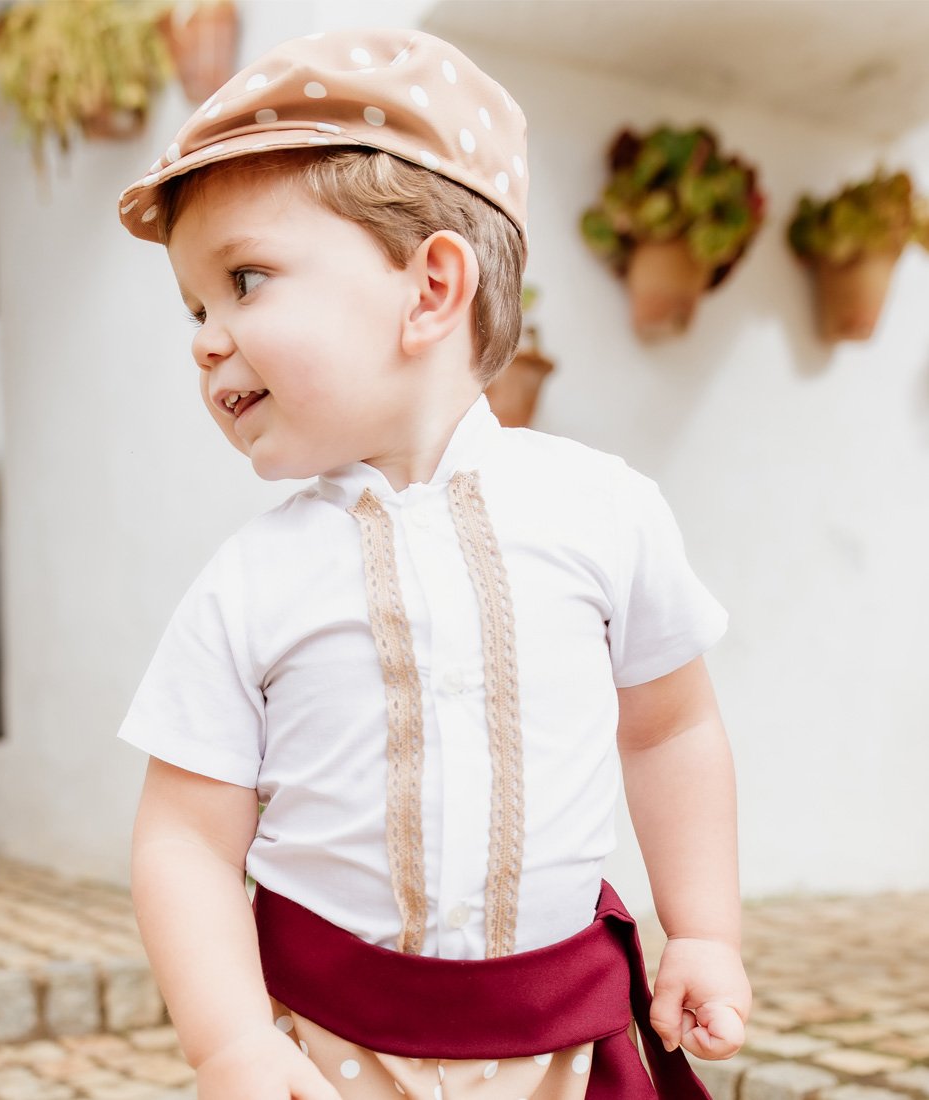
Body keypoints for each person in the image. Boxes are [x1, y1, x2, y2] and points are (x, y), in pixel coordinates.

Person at [116, 26, 750, 1100]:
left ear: (430, 289)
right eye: (196, 305)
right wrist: (230, 1044)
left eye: (244, 280)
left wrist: (701, 931)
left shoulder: (602, 512)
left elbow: (669, 728)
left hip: (560, 1044)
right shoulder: (248, 583)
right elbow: (183, 839)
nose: (205, 338)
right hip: (331, 1048)